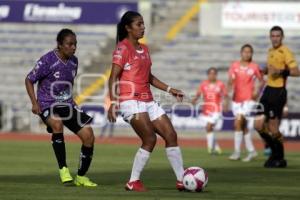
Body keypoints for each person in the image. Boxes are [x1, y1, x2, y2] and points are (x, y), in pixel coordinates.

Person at [108, 11, 185, 192]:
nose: (143, 27)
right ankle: (133, 181)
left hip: (148, 100)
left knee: (171, 135)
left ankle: (182, 180)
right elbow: (113, 77)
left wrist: (169, 89)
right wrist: (113, 102)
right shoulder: (122, 48)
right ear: (128, 28)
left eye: (143, 24)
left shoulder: (145, 49)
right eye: (139, 24)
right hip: (130, 101)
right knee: (149, 139)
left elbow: (148, 76)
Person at [25, 29, 97, 186]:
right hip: (47, 102)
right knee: (57, 123)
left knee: (89, 136)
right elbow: (29, 79)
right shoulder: (47, 60)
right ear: (59, 45)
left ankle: (81, 176)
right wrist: (34, 103)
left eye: (75, 44)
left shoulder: (74, 61)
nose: (73, 47)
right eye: (69, 44)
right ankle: (63, 170)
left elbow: (67, 84)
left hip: (66, 104)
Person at [255, 26, 300, 168]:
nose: (275, 38)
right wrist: (265, 71)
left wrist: (280, 71)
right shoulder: (270, 51)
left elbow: (296, 71)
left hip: (278, 92)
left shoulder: (285, 51)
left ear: (282, 37)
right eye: (273, 36)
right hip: (267, 91)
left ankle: (279, 158)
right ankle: (275, 152)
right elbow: (271, 70)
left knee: (274, 128)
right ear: (270, 37)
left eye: (277, 36)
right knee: (258, 125)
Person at [227, 44, 264, 162]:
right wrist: (229, 92)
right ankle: (252, 151)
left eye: (249, 52)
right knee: (242, 126)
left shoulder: (254, 67)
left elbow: (262, 80)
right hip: (236, 100)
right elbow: (230, 81)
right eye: (245, 52)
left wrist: (257, 91)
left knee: (238, 122)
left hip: (249, 100)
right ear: (241, 53)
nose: (247, 54)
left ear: (252, 54)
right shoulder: (234, 65)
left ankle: (237, 152)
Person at [191, 67, 228, 155]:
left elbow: (225, 95)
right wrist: (194, 100)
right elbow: (198, 94)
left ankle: (210, 149)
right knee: (209, 129)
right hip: (206, 111)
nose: (212, 75)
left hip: (216, 110)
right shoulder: (203, 84)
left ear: (216, 75)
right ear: (208, 75)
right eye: (210, 74)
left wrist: (226, 104)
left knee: (208, 127)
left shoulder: (220, 84)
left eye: (214, 74)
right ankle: (217, 147)